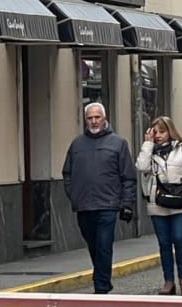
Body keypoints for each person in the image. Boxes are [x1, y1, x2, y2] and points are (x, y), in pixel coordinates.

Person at [61, 102, 137, 295]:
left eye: (97, 117)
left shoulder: (118, 143)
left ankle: (101, 285)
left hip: (108, 205)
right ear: (85, 120)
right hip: (84, 206)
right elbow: (67, 173)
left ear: (105, 119)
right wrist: (73, 194)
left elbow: (128, 176)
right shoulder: (77, 144)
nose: (94, 121)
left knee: (104, 245)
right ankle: (102, 277)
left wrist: (126, 203)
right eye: (90, 118)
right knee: (93, 244)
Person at [135, 116, 182, 296]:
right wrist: (147, 144)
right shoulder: (149, 152)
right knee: (164, 243)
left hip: (181, 202)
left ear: (170, 131)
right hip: (158, 203)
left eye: (162, 131)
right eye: (155, 132)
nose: (158, 136)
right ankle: (168, 281)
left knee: (179, 238)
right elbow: (141, 167)